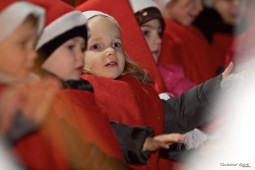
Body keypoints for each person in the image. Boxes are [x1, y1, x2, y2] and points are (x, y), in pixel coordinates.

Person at [81, 10, 233, 170]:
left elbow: (174, 114)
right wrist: (141, 142)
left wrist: (219, 87)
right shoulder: (81, 95)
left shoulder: (137, 90)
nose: (111, 51)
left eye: (116, 44)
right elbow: (101, 135)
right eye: (96, 46)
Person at [129, 0, 196, 96]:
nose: (158, 40)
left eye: (159, 32)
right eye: (146, 33)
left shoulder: (169, 77)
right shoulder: (125, 83)